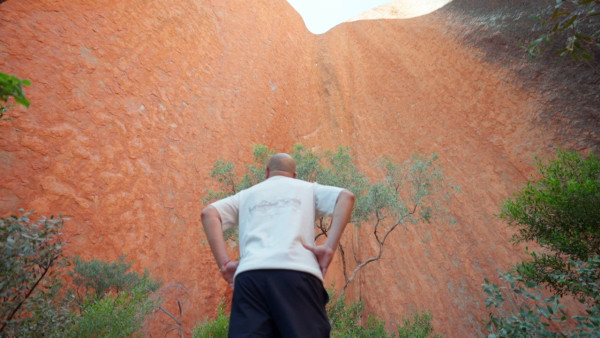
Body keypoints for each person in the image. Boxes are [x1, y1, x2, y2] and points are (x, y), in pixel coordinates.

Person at [201, 152, 355, 337]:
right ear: (294, 175)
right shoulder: (307, 189)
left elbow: (209, 213)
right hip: (297, 272)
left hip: (251, 276)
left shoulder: (245, 195)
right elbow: (346, 197)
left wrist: (225, 264)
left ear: (266, 172)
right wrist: (329, 247)